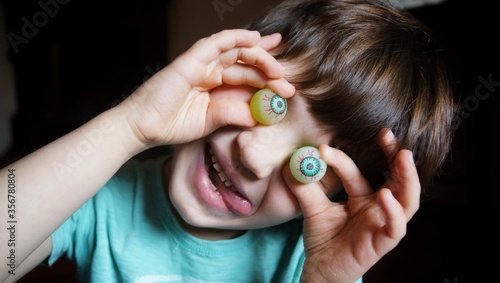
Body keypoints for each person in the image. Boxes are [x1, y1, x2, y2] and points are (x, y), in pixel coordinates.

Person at [0, 0, 458, 282]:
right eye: (269, 102)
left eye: (309, 164)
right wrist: (129, 127)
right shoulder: (100, 195)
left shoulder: (318, 263)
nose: (254, 156)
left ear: (342, 197)